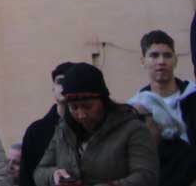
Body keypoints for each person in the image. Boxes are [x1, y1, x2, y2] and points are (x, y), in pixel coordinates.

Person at [36, 62, 157, 186]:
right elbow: (39, 172)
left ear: (104, 102)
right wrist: (54, 175)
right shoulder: (63, 130)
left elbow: (147, 176)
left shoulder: (133, 130)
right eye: (74, 107)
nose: (81, 114)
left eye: (88, 106)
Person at [131, 30, 196, 186]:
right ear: (143, 61)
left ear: (175, 60)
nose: (161, 61)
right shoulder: (136, 108)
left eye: (167, 55)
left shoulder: (193, 97)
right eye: (154, 55)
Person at [21, 63, 80, 186]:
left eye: (69, 81)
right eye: (60, 81)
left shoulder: (89, 125)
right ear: (53, 87)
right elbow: (26, 176)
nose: (64, 86)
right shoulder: (36, 131)